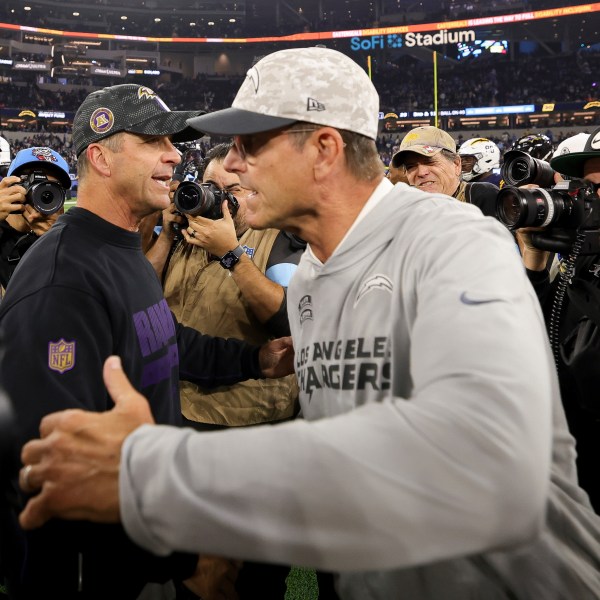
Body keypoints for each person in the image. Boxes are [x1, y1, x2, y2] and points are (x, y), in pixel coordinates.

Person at [16, 47, 600, 600]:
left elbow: (489, 459)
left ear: (323, 149)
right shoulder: (313, 280)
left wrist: (160, 477)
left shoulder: (455, 241)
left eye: (250, 142)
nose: (231, 163)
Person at [0, 83, 293, 600]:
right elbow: (52, 461)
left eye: (174, 141)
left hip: (142, 541)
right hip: (100, 569)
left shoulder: (122, 248)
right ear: (101, 158)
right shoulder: (63, 275)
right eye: (153, 141)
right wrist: (175, 558)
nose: (175, 154)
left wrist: (254, 359)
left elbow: (160, 337)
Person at [160, 142, 305, 598]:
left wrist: (232, 254)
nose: (215, 200)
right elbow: (140, 307)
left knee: (253, 578)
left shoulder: (282, 236)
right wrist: (164, 236)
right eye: (209, 187)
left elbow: (288, 321)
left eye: (231, 190)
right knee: (187, 570)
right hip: (182, 419)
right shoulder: (184, 234)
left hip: (253, 430)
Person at [517, 126, 600, 513]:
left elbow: (583, 363)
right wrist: (535, 264)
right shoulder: (583, 260)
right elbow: (531, 348)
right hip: (573, 479)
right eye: (586, 188)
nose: (588, 202)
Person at [0, 147, 70, 293]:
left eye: (52, 187)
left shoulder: (69, 239)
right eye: (30, 181)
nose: (42, 192)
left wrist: (56, 241)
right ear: (10, 185)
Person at [392, 125, 500, 217]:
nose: (421, 172)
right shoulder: (406, 211)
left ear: (456, 164)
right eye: (411, 166)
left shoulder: (482, 197)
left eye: (430, 162)